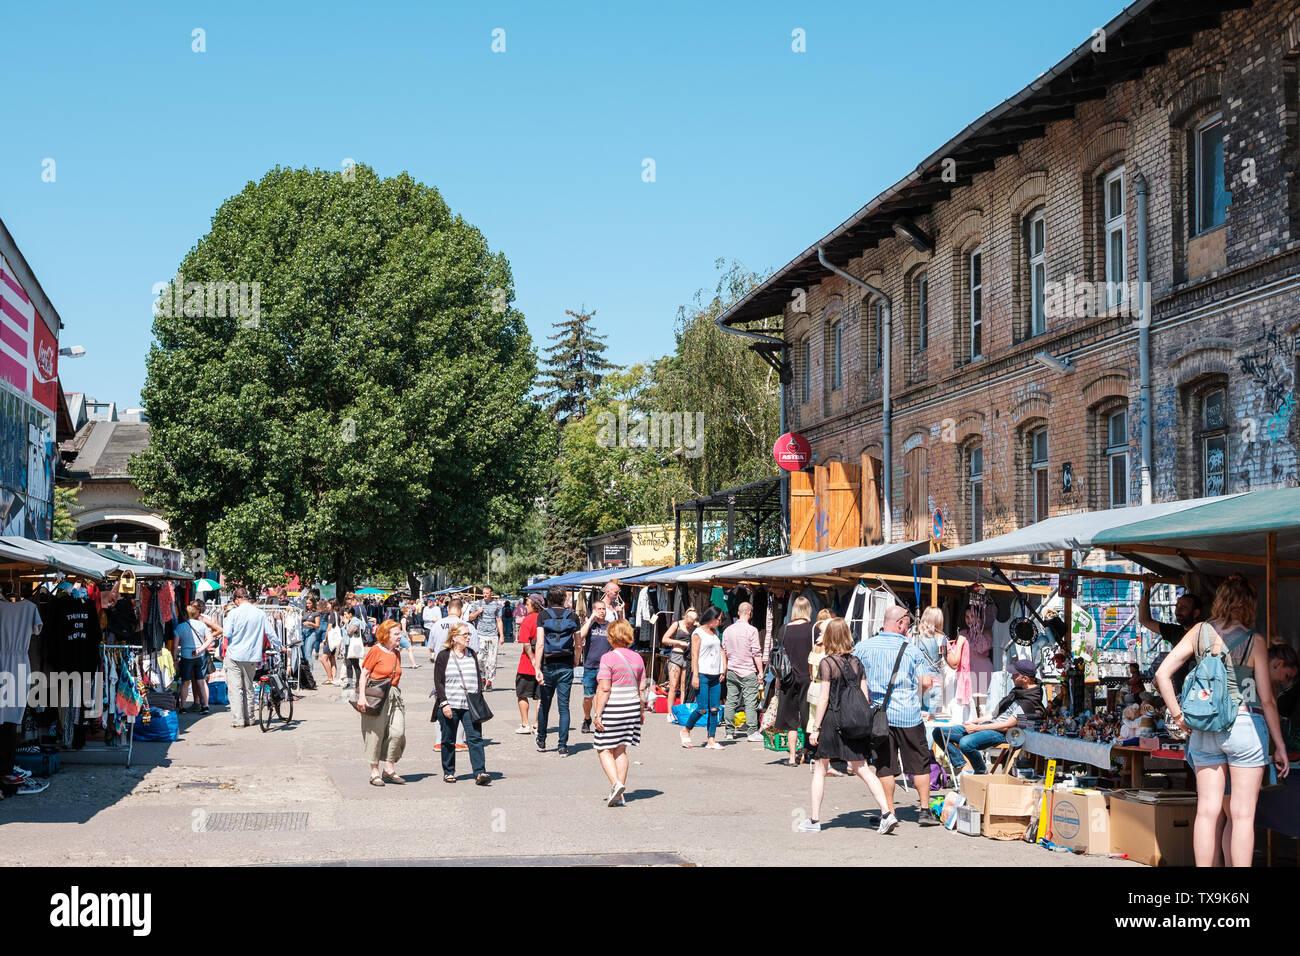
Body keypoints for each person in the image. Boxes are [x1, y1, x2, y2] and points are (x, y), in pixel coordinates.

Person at [1155, 574, 1289, 867]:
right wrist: (1279, 745)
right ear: (1249, 605)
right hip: (1244, 726)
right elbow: (1267, 699)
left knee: (1207, 811)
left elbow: (1161, 674)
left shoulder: (1199, 631)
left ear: (1220, 601)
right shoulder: (1254, 641)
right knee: (1242, 815)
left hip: (1204, 728)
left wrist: (1178, 715)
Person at [799, 618, 894, 833]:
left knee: (820, 769)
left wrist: (815, 727)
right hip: (854, 721)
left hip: (833, 720)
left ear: (831, 637)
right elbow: (864, 695)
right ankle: (887, 813)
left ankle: (814, 820)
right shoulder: (857, 662)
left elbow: (824, 698)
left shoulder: (827, 663)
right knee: (863, 768)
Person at [854, 605, 939, 826]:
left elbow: (853, 676)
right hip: (908, 715)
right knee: (920, 762)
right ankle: (924, 810)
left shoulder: (863, 647)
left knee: (885, 764)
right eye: (907, 624)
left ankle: (889, 812)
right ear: (900, 623)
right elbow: (925, 682)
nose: (908, 628)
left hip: (878, 717)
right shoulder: (910, 650)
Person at [934, 658, 1043, 775]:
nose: (1011, 677)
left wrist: (977, 728)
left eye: (1014, 675)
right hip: (990, 725)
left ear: (1025, 678)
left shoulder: (1030, 701)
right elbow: (994, 714)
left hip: (1002, 733)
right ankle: (963, 765)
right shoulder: (1019, 690)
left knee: (966, 743)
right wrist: (975, 722)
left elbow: (1007, 725)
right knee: (938, 732)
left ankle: (981, 772)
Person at [592, 619, 647, 806]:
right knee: (621, 748)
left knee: (603, 748)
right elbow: (642, 688)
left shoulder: (608, 658)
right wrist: (641, 711)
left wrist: (597, 714)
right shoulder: (638, 657)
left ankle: (616, 784)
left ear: (611, 636)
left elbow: (605, 688)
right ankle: (619, 792)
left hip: (614, 707)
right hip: (632, 707)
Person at [433, 622, 491, 785]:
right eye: (465, 635)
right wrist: (444, 703)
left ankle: (480, 772)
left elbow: (478, 678)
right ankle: (449, 771)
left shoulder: (472, 654)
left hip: (469, 705)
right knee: (448, 739)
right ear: (454, 637)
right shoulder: (444, 656)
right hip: (450, 704)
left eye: (469, 634)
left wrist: (478, 697)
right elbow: (438, 681)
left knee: (475, 738)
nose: (468, 637)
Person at [353, 620, 406, 786]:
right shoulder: (376, 650)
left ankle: (389, 768)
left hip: (394, 694)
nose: (400, 636)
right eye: (396, 634)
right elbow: (364, 674)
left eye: (400, 633)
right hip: (375, 695)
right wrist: (362, 696)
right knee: (375, 733)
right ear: (386, 635)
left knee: (398, 732)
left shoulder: (396, 653)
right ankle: (374, 771)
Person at [535, 586, 580, 756]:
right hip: (566, 663)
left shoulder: (543, 615)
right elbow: (578, 643)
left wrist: (537, 667)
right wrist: (576, 659)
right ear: (563, 599)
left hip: (547, 663)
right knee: (564, 707)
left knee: (544, 705)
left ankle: (541, 739)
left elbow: (540, 643)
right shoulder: (573, 617)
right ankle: (562, 746)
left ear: (549, 599)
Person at [222, 588, 273, 729]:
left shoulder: (233, 614)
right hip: (252, 655)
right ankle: (250, 718)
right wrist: (280, 646)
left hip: (234, 655)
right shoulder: (260, 613)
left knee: (235, 688)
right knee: (248, 686)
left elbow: (227, 633)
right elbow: (270, 633)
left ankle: (239, 720)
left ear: (237, 599)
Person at [773, 597, 815, 766]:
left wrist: (777, 678)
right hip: (808, 677)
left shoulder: (783, 630)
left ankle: (791, 757)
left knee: (791, 719)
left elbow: (779, 656)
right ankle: (804, 752)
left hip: (787, 677)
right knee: (807, 716)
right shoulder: (813, 630)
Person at [1141, 584, 1204, 696]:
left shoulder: (1206, 633)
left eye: (1183, 608)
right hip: (1183, 697)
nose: (1178, 610)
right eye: (1177, 606)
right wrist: (1146, 589)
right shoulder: (1175, 631)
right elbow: (1144, 620)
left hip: (1202, 695)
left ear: (1196, 613)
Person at [680, 606, 727, 749]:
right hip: (702, 674)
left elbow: (720, 650)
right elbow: (694, 655)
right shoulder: (698, 633)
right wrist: (695, 675)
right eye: (718, 619)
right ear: (711, 618)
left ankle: (711, 739)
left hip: (715, 675)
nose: (720, 622)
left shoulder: (715, 632)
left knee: (714, 709)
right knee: (702, 708)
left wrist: (723, 669)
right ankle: (686, 729)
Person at [578, 582, 620, 734]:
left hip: (605, 667)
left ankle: (599, 719)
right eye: (599, 609)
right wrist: (590, 619)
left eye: (603, 609)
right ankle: (587, 717)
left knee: (603, 694)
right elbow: (581, 636)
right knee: (588, 697)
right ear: (594, 610)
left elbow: (619, 641)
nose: (602, 611)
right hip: (590, 665)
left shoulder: (610, 626)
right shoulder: (590, 625)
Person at [721, 602, 764, 742]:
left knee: (731, 700)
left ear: (738, 613)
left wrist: (725, 668)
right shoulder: (752, 630)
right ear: (750, 613)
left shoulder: (728, 630)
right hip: (748, 671)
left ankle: (728, 731)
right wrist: (761, 672)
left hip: (732, 669)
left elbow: (724, 651)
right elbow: (756, 653)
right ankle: (751, 732)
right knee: (750, 702)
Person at [176, 601, 220, 714]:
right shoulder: (202, 625)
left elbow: (175, 646)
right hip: (200, 656)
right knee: (201, 681)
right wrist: (200, 649)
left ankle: (183, 707)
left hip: (186, 657)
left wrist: (174, 659)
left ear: (185, 615)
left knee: (186, 682)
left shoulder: (180, 627)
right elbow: (210, 639)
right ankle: (205, 706)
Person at [513, 594, 543, 734]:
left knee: (522, 694)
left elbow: (526, 644)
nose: (525, 606)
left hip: (526, 664)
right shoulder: (546, 619)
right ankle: (537, 725)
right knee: (541, 696)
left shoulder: (527, 620)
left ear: (534, 605)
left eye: (528, 604)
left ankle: (525, 724)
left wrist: (532, 659)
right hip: (543, 661)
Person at [660, 607, 697, 719]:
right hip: (676, 656)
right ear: (685, 618)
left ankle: (682, 711)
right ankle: (670, 712)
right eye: (688, 623)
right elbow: (665, 639)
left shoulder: (695, 627)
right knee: (673, 685)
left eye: (692, 624)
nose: (689, 626)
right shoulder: (677, 624)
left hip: (688, 658)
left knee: (684, 686)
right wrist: (679, 643)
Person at [467, 585, 505, 689]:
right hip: (481, 635)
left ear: (491, 593)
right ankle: (482, 677)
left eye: (487, 593)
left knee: (492, 661)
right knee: (480, 659)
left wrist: (501, 635)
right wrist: (478, 612)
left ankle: (490, 682)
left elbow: (499, 620)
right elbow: (470, 617)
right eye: (483, 593)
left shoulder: (497, 605)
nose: (485, 595)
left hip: (492, 635)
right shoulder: (477, 604)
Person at [428, 598, 465, 665]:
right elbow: (474, 649)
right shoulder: (467, 626)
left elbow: (431, 647)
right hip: (461, 663)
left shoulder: (436, 625)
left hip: (441, 662)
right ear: (461, 610)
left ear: (448, 608)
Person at [342, 607, 365, 688]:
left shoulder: (356, 621)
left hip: (353, 645)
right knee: (348, 664)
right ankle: (350, 683)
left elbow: (349, 632)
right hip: (347, 645)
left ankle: (359, 683)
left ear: (350, 614)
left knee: (355, 664)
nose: (344, 616)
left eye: (345, 614)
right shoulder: (349, 621)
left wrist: (346, 624)